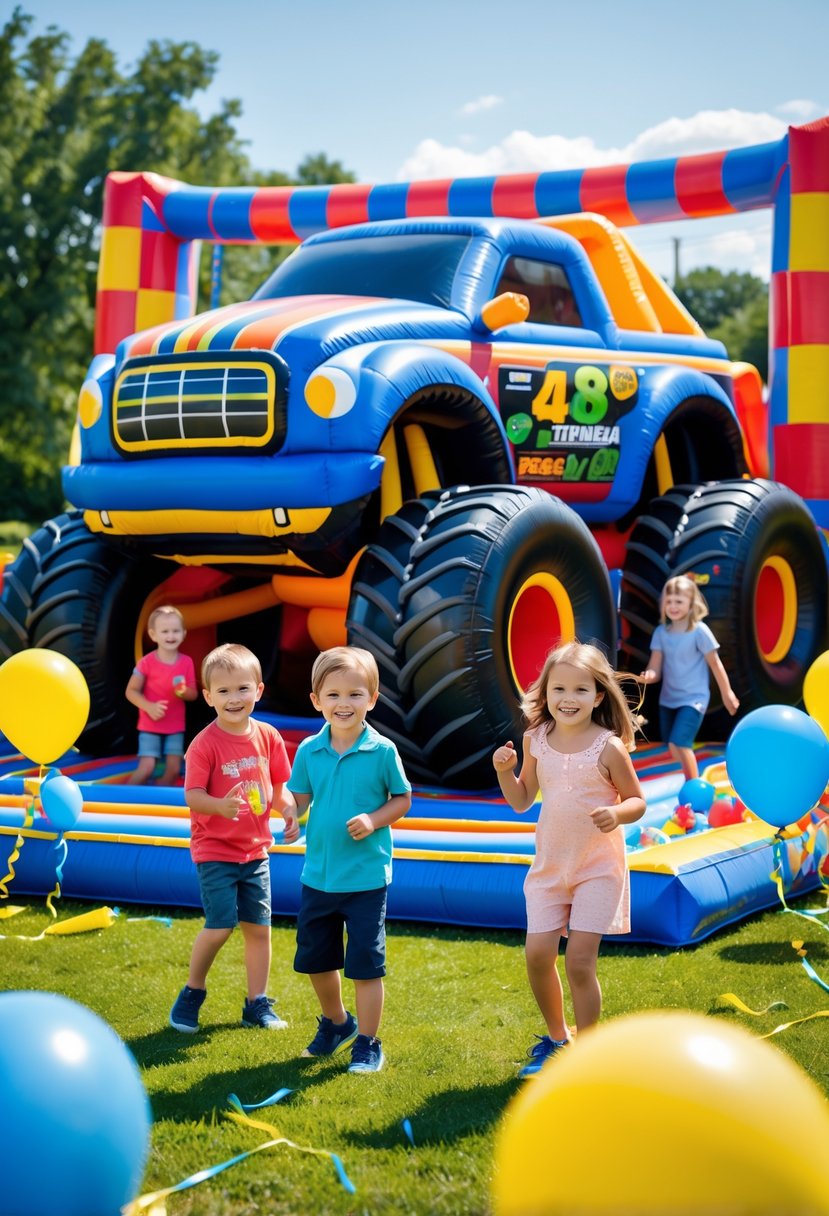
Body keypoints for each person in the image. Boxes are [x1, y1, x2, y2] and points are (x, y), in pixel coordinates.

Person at [492, 641, 646, 1077]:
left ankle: (591, 1052)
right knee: (538, 955)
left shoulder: (608, 746)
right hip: (549, 869)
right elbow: (522, 800)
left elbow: (637, 800)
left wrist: (616, 813)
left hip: (598, 868)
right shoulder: (535, 739)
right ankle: (558, 1037)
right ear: (545, 693)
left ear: (598, 696)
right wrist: (505, 771)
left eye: (580, 690)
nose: (568, 699)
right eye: (559, 689)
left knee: (579, 960)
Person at [286, 646, 412, 1074]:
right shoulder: (308, 750)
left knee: (364, 965)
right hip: (318, 875)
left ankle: (368, 1042)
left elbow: (403, 799)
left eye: (355, 695)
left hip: (365, 879)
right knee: (316, 961)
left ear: (372, 699)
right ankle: (338, 1023)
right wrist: (287, 810)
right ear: (317, 700)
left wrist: (374, 820)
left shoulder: (382, 751)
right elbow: (300, 797)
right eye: (334, 695)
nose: (344, 704)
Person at [169, 643, 298, 1034]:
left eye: (242, 688)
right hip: (215, 851)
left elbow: (277, 787)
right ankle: (192, 991)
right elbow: (191, 795)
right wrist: (218, 807)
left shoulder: (269, 737)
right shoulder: (204, 744)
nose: (234, 698)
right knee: (221, 925)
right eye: (223, 691)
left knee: (259, 928)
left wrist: (288, 810)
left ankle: (257, 1003)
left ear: (258, 690)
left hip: (255, 851)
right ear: (208, 697)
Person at [640, 575, 740, 780]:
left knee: (680, 742)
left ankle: (693, 785)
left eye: (679, 601)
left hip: (694, 698)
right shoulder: (661, 632)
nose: (673, 606)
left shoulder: (699, 631)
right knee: (671, 745)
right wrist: (649, 675)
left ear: (691, 604)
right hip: (668, 700)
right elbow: (655, 666)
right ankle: (688, 774)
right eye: (669, 602)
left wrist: (727, 693)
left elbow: (715, 664)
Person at [125, 604, 198, 786]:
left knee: (173, 769)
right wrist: (149, 706)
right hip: (150, 722)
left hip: (174, 724)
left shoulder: (186, 662)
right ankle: (121, 798)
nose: (171, 636)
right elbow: (131, 691)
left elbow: (193, 695)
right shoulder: (147, 662)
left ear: (184, 633)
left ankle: (154, 801)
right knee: (147, 767)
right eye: (165, 631)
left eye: (175, 631)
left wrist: (183, 692)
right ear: (153, 635)